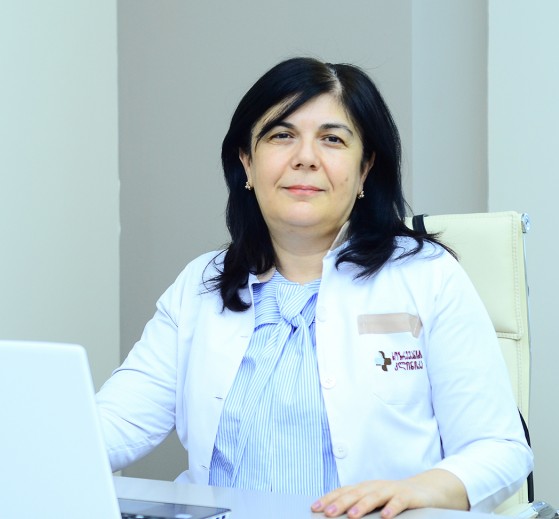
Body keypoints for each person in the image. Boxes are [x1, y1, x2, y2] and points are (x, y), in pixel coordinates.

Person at [95, 57, 532, 518]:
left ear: (365, 169)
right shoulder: (201, 285)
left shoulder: (426, 276)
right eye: (281, 135)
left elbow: (500, 448)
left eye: (332, 139)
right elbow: (115, 423)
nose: (305, 157)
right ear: (247, 162)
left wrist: (418, 491)